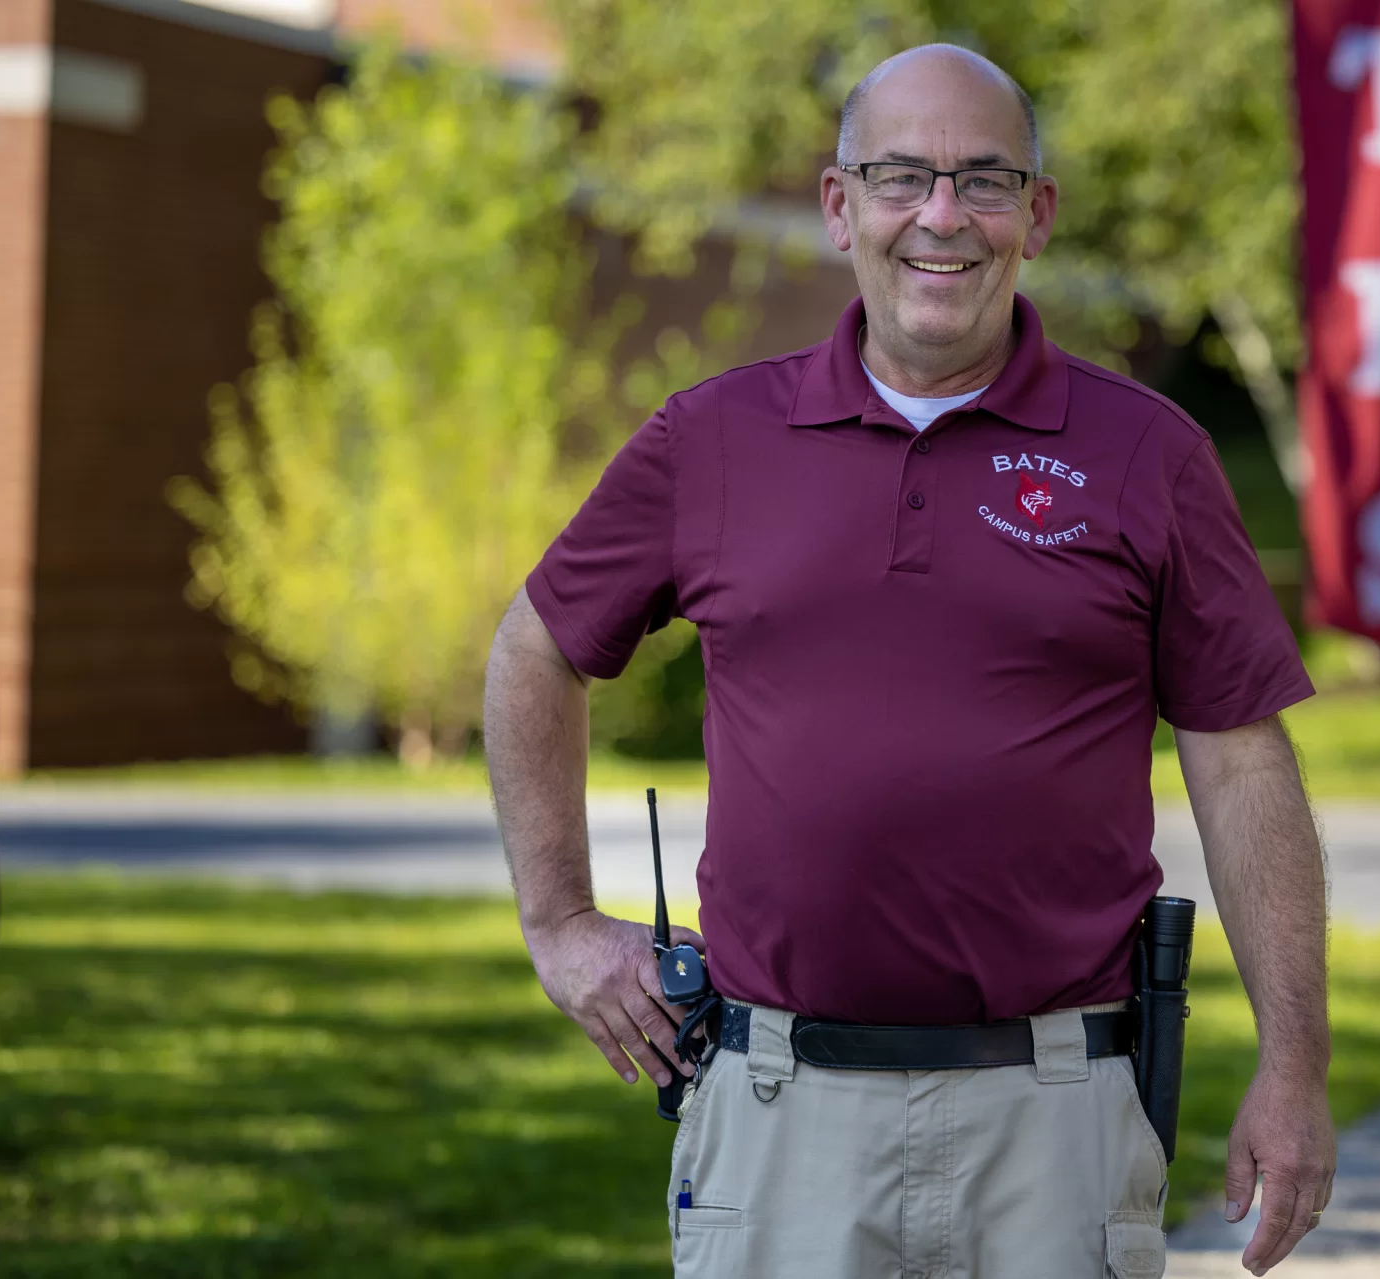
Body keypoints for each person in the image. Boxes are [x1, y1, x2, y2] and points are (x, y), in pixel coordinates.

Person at [484, 43, 1334, 1279]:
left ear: (1035, 216)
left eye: (984, 179)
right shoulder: (713, 439)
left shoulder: (1143, 454)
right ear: (840, 208)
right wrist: (559, 922)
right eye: (900, 177)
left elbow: (1242, 758)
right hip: (779, 1120)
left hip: (1055, 1125)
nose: (942, 216)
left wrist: (1294, 1066)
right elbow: (533, 648)